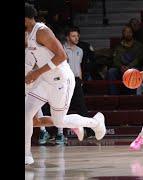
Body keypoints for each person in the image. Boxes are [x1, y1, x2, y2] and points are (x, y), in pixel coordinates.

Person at [25, 3, 106, 165]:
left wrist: (36, 73)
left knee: (59, 121)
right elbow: (31, 60)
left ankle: (95, 122)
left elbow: (62, 56)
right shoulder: (27, 34)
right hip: (44, 80)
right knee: (27, 115)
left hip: (61, 80)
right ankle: (27, 154)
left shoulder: (42, 31)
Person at [106, 25, 143, 95]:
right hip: (121, 69)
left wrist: (129, 67)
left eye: (129, 32)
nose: (128, 34)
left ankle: (132, 95)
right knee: (111, 71)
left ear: (132, 33)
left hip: (133, 68)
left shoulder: (138, 45)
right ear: (123, 34)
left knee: (133, 70)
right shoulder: (118, 46)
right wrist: (121, 67)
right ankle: (114, 96)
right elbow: (115, 60)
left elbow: (138, 59)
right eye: (126, 32)